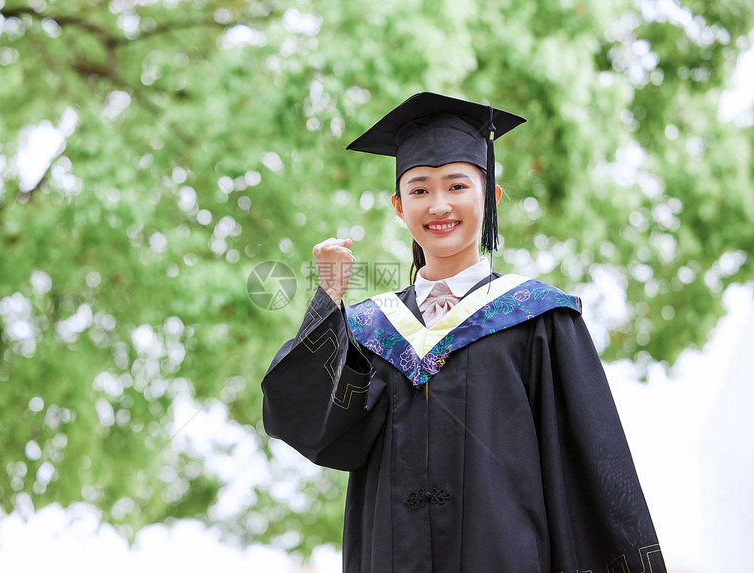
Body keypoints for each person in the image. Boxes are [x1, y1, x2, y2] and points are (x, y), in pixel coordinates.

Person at [261, 92, 665, 572]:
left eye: (456, 186)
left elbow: (592, 466)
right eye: (418, 190)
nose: (438, 205)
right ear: (397, 206)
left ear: (490, 196)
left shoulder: (538, 318)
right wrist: (329, 298)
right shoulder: (370, 331)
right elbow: (309, 421)